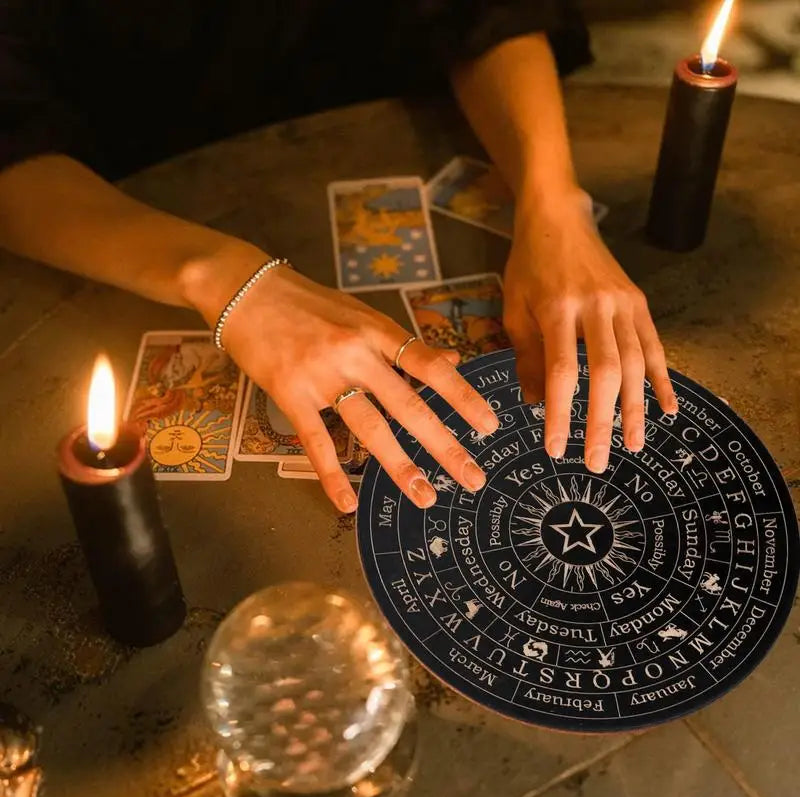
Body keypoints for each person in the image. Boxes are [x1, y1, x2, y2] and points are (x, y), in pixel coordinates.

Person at [0, 0, 676, 514]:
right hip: (127, 202)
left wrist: (553, 201)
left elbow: (489, 11)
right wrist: (222, 277)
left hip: (400, 122)